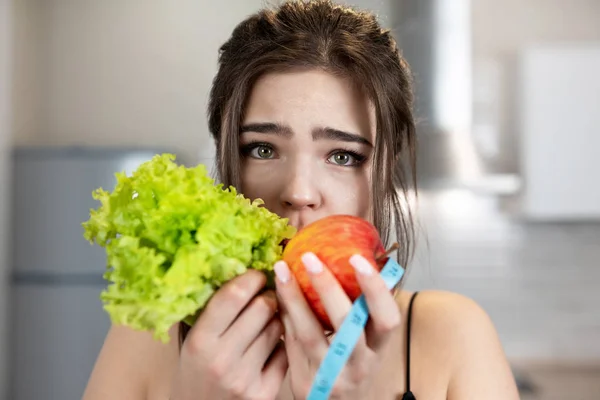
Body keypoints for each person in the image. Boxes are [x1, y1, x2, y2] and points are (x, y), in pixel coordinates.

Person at [82, 1, 520, 399]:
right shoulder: (146, 336)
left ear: (387, 170)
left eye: (343, 156)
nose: (298, 192)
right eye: (262, 149)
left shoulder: (452, 337)